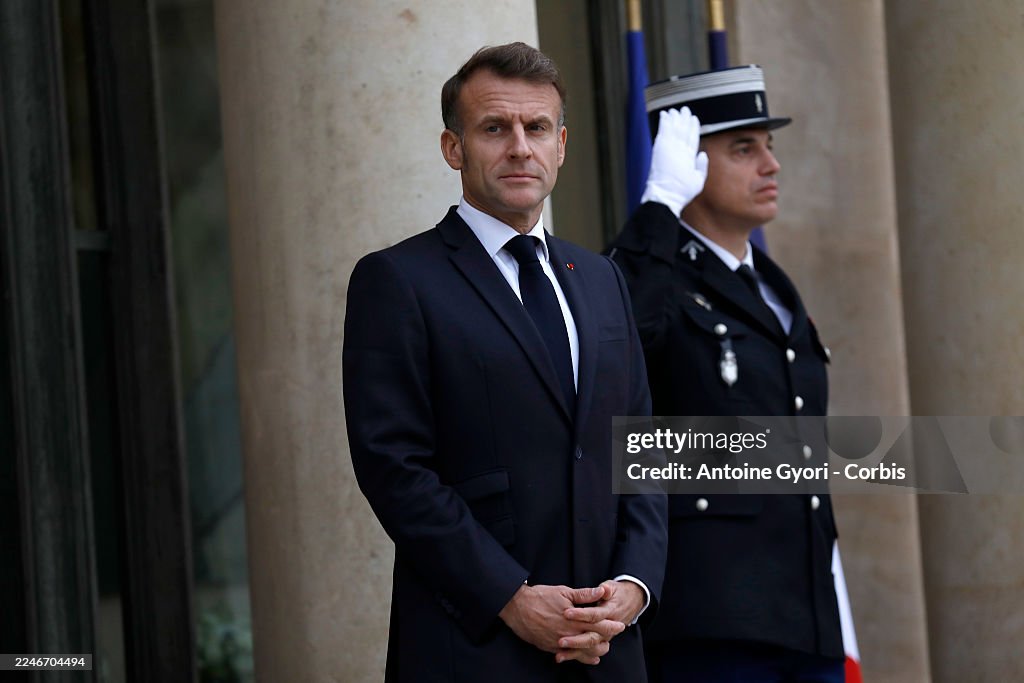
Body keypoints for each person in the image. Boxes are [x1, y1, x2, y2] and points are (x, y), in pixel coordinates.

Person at [343, 42, 667, 682]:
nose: (520, 147)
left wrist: (634, 584)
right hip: (474, 647)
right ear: (453, 148)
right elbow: (394, 468)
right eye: (495, 128)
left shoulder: (602, 278)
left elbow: (642, 445)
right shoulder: (398, 280)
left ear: (562, 146)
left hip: (607, 649)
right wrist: (510, 598)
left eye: (536, 128)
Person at [607, 65, 844, 682]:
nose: (771, 165)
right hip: (711, 621)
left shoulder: (771, 286)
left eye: (769, 146)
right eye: (744, 148)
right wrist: (659, 207)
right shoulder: (654, 278)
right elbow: (614, 349)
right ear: (687, 160)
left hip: (805, 616)